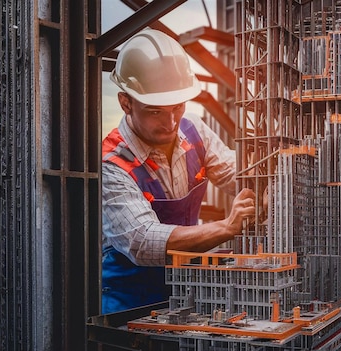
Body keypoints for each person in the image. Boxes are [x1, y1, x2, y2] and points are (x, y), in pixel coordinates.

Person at [101, 29, 256, 314]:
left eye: (177, 107)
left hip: (186, 290)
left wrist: (266, 184)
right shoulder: (112, 164)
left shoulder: (193, 129)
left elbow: (236, 175)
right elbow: (144, 241)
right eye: (155, 111)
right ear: (126, 103)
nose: (171, 122)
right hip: (131, 302)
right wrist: (226, 227)